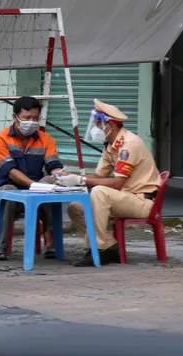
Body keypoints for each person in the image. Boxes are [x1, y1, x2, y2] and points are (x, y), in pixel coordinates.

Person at [61, 99, 162, 267]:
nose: (96, 127)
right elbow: (99, 175)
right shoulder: (111, 145)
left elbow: (117, 184)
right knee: (75, 207)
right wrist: (68, 177)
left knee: (100, 192)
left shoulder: (129, 145)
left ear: (111, 125)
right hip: (126, 197)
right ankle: (108, 246)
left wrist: (82, 180)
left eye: (99, 123)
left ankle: (98, 249)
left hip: (142, 201)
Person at [0, 96, 63, 260]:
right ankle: (2, 246)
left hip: (37, 186)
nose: (31, 122)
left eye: (35, 118)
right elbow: (10, 171)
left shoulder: (46, 139)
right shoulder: (0, 140)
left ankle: (50, 242)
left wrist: (61, 175)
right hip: (8, 184)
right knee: (10, 192)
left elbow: (52, 164)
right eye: (26, 118)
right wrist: (33, 185)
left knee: (50, 184)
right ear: (15, 117)